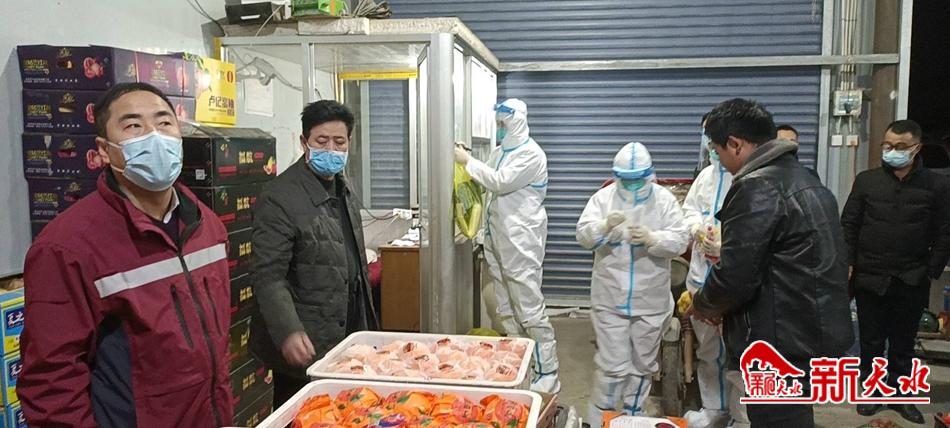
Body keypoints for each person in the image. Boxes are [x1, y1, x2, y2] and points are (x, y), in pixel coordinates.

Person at [19, 82, 233, 427]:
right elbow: (51, 383)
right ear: (104, 150)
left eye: (164, 123)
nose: (154, 136)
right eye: (133, 125)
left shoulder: (206, 225)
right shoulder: (67, 247)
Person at [691, 98, 852, 428]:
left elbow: (736, 276)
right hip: (810, 329)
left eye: (717, 151)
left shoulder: (757, 187)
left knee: (774, 418)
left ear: (735, 144)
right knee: (793, 415)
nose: (719, 161)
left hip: (779, 339)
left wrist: (704, 304)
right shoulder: (805, 179)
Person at [250, 100, 378, 407]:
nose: (331, 150)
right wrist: (289, 331)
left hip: (345, 333)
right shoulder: (280, 197)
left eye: (339, 142)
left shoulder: (342, 188)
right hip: (306, 340)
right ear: (304, 142)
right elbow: (268, 275)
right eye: (322, 141)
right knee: (304, 413)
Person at [841, 119, 950, 424]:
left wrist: (931, 269)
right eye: (888, 145)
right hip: (870, 276)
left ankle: (902, 397)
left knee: (903, 343)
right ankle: (873, 394)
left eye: (900, 146)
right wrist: (848, 262)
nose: (892, 151)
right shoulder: (867, 181)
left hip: (911, 276)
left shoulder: (937, 185)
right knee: (871, 341)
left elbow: (945, 231)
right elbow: (849, 223)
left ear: (916, 148)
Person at [576, 142, 690, 426]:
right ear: (616, 176)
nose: (632, 185)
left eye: (637, 179)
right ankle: (600, 418)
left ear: (649, 175)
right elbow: (583, 236)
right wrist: (604, 226)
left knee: (642, 365)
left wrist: (654, 239)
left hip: (650, 300)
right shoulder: (603, 199)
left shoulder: (663, 201)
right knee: (612, 367)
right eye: (626, 179)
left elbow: (680, 240)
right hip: (610, 298)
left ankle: (633, 417)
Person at [453, 98, 560, 393]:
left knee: (528, 307)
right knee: (506, 306)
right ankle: (522, 361)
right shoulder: (500, 152)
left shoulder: (531, 154)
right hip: (498, 238)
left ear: (517, 122)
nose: (499, 128)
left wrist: (467, 161)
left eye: (504, 123)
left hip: (521, 240)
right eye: (498, 123)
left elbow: (499, 181)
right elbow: (483, 179)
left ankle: (548, 370)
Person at [681, 118, 748, 428]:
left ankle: (741, 417)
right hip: (702, 280)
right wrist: (697, 229)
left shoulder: (749, 179)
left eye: (714, 143)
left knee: (740, 357)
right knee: (709, 352)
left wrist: (728, 245)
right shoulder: (705, 177)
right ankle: (714, 409)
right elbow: (689, 211)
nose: (710, 149)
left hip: (735, 286)